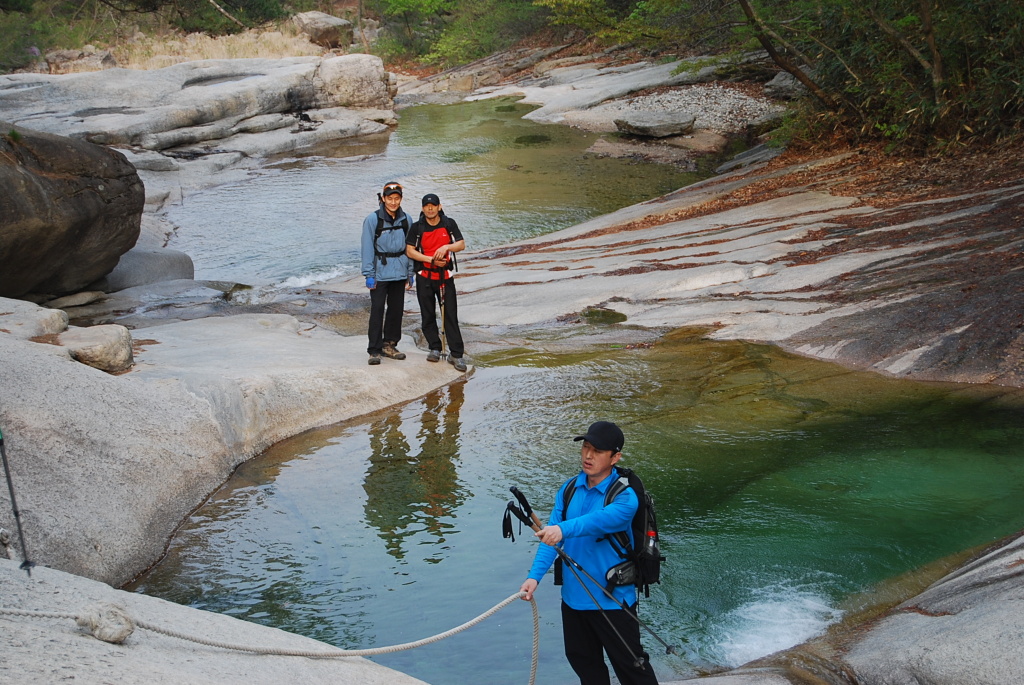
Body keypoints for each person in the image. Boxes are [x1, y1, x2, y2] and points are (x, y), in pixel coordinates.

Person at [520, 421, 659, 685]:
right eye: (585, 447)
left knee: (633, 670)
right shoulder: (569, 488)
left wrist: (560, 529)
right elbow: (551, 540)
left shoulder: (625, 498)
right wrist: (534, 577)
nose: (587, 455)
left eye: (597, 450)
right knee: (587, 671)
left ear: (615, 457)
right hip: (573, 601)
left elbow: (594, 521)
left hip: (613, 601)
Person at [405, 193, 467, 372]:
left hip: (444, 277)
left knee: (450, 315)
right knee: (427, 314)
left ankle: (456, 354)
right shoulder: (417, 227)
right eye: (426, 206)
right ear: (423, 208)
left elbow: (461, 244)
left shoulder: (449, 223)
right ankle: (434, 347)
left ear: (439, 207)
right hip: (425, 276)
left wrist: (446, 247)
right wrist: (430, 259)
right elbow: (410, 251)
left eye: (433, 205)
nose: (430, 208)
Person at [361, 181, 415, 366]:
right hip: (380, 272)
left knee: (396, 310)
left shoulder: (407, 219)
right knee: (377, 310)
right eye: (390, 198)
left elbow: (410, 248)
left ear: (401, 199)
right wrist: (369, 274)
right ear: (383, 199)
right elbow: (367, 247)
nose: (393, 202)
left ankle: (389, 344)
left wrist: (410, 272)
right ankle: (374, 350)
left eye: (396, 198)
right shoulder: (372, 220)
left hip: (399, 271)